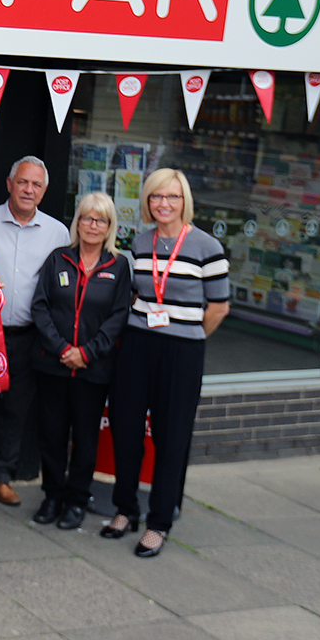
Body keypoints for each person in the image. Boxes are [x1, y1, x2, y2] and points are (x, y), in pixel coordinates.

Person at [103, 168, 230, 558]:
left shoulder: (208, 247)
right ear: (147, 201)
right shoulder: (139, 243)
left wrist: (189, 337)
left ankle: (159, 522)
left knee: (170, 438)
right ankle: (126, 509)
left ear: (184, 201)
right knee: (125, 430)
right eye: (157, 196)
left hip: (181, 353)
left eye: (172, 197)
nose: (163, 204)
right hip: (138, 346)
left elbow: (219, 308)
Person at [0, 156, 70, 506]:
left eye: (36, 185)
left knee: (15, 409)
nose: (28, 190)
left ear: (44, 191)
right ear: (9, 184)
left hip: (27, 337)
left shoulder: (58, 232)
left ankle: (0, 475)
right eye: (22, 182)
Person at [29, 192, 133, 530]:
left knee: (86, 439)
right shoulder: (58, 258)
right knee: (51, 435)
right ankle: (53, 495)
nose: (92, 225)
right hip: (53, 364)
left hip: (94, 369)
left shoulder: (118, 266)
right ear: (78, 222)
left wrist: (86, 352)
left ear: (109, 227)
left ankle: (76, 500)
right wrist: (62, 349)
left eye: (100, 220)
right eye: (87, 218)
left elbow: (119, 316)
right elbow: (40, 307)